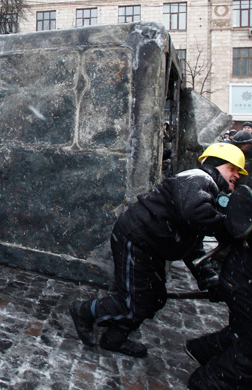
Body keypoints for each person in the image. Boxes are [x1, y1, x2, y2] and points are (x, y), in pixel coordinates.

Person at [69, 143, 247, 358]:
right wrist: (228, 227)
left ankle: (114, 338)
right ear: (215, 164)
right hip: (136, 239)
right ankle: (84, 311)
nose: (236, 175)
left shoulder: (204, 189)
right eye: (232, 169)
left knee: (154, 298)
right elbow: (194, 215)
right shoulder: (198, 179)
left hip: (150, 245)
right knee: (134, 301)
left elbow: (192, 242)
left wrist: (207, 278)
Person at [184, 183, 252, 389]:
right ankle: (210, 382)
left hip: (239, 274)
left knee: (242, 331)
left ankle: (202, 350)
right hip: (243, 279)